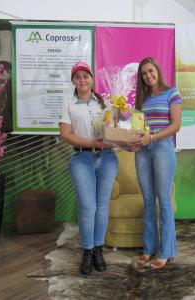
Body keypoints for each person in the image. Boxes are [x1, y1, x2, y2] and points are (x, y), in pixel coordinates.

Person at [59, 61, 119, 275]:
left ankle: (98, 250)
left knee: (102, 206)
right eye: (78, 77)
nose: (82, 80)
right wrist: (92, 143)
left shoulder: (104, 103)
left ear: (92, 79)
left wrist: (121, 132)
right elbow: (65, 134)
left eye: (86, 76)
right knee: (87, 207)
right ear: (73, 81)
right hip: (81, 159)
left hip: (108, 159)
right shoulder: (68, 103)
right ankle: (87, 251)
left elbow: (114, 130)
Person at [131, 57, 182, 269]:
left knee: (164, 200)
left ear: (157, 71)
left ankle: (165, 251)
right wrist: (132, 142)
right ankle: (148, 248)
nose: (148, 76)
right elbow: (138, 127)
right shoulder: (141, 100)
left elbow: (176, 125)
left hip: (162, 148)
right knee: (148, 200)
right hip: (142, 151)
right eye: (144, 73)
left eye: (151, 71)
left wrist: (152, 138)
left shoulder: (172, 93)